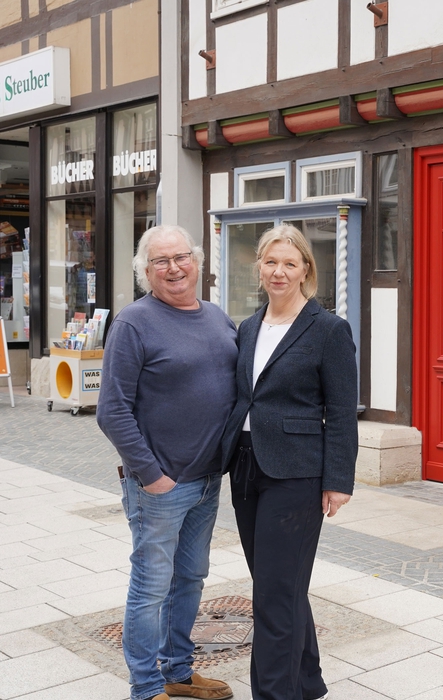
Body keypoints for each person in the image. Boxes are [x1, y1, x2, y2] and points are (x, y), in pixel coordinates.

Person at [97, 225, 237, 700]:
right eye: (161, 261)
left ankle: (177, 671)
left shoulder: (217, 317)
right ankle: (145, 686)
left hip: (207, 480)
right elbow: (111, 410)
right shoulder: (134, 323)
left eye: (181, 257)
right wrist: (152, 475)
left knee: (191, 577)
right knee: (151, 587)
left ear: (196, 261)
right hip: (160, 485)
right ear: (146, 271)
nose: (174, 268)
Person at [220, 225, 358, 700]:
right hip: (245, 467)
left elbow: (341, 411)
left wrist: (338, 480)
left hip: (296, 473)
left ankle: (275, 693)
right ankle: (307, 681)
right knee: (280, 585)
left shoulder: (329, 329)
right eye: (271, 262)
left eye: (289, 264)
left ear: (305, 271)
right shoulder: (248, 327)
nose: (279, 272)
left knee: (274, 593)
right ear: (259, 268)